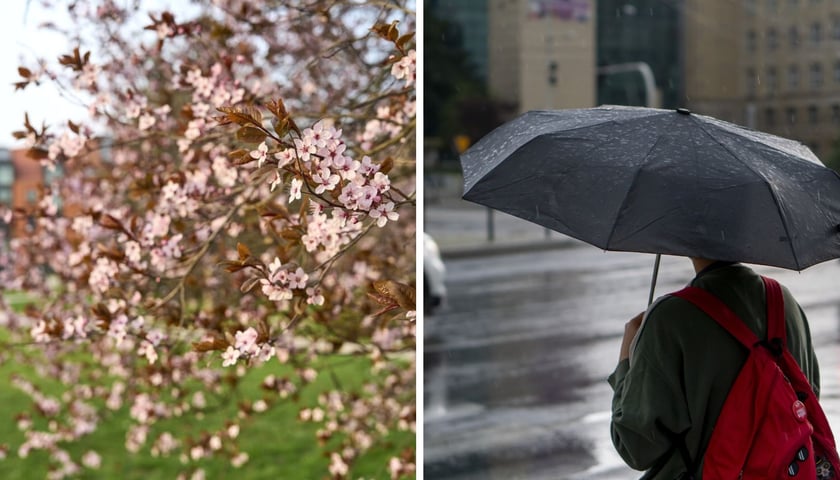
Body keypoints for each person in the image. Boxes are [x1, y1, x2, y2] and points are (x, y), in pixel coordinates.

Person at [608, 258, 820, 478]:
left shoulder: (670, 318)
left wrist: (626, 360)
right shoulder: (784, 302)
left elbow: (636, 448)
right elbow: (807, 402)